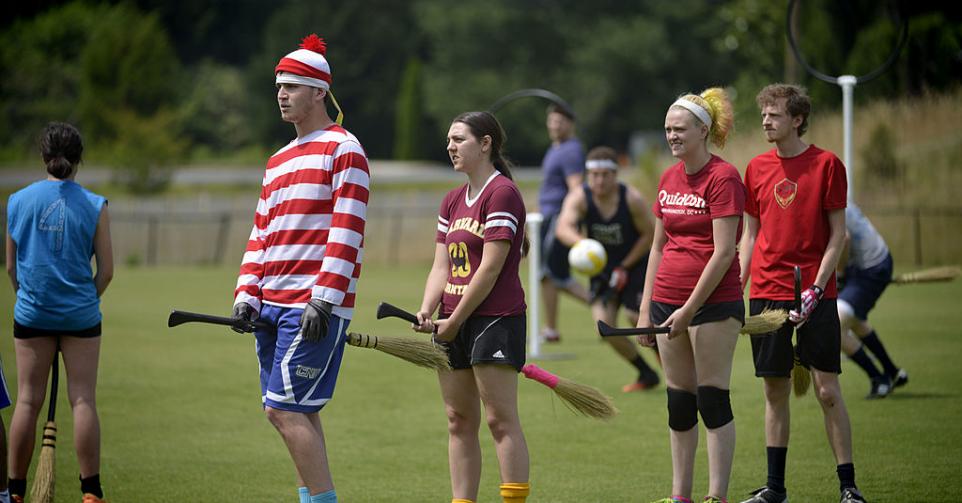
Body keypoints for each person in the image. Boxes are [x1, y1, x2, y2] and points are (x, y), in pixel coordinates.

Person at [231, 34, 369, 503]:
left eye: (291, 86)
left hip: (312, 306)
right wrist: (246, 296)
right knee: (299, 411)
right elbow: (260, 235)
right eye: (278, 87)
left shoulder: (344, 149)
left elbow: (347, 231)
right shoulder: (277, 161)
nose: (282, 95)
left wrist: (324, 299)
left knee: (282, 410)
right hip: (270, 305)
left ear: (318, 91)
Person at [738, 83, 867, 503]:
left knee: (826, 390)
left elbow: (838, 235)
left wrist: (815, 288)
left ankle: (848, 487)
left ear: (797, 119)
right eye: (763, 115)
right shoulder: (755, 168)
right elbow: (750, 236)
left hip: (817, 296)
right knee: (774, 392)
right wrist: (735, 286)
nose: (765, 121)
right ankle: (775, 489)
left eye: (774, 114)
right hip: (767, 294)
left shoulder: (828, 165)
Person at [412, 111, 530, 503]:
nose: (450, 146)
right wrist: (428, 308)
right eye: (448, 140)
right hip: (452, 320)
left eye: (459, 139)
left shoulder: (502, 194)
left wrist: (455, 318)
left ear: (485, 144)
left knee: (499, 420)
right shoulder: (451, 200)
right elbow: (441, 265)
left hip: (494, 319)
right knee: (458, 420)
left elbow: (491, 268)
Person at [638, 88, 745, 503]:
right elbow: (658, 246)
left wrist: (688, 310)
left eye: (679, 129)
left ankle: (716, 497)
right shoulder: (667, 178)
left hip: (713, 306)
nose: (671, 136)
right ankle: (679, 496)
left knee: (712, 398)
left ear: (703, 130)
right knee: (679, 401)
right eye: (667, 129)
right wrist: (648, 308)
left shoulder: (724, 177)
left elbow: (722, 254)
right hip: (667, 302)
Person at [5, 122, 112, 503]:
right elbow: (107, 271)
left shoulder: (17, 201)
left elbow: (11, 268)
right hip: (81, 316)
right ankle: (91, 493)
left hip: (32, 313)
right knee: (82, 400)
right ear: (79, 159)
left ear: (43, 157)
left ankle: (14, 490)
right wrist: (84, 300)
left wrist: (33, 302)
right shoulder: (95, 205)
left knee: (28, 400)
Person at [555, 146, 660, 392]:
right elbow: (563, 228)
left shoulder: (630, 198)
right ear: (587, 175)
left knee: (637, 318)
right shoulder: (580, 197)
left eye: (605, 174)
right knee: (605, 327)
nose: (599, 180)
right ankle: (646, 373)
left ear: (615, 175)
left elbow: (649, 235)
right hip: (601, 269)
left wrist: (624, 267)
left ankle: (662, 354)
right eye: (594, 175)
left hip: (635, 265)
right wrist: (583, 245)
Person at [837, 202, 907, 398]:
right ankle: (892, 372)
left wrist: (840, 276)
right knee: (855, 320)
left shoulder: (820, 198)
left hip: (871, 270)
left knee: (834, 326)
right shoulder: (834, 193)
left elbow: (843, 239)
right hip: (871, 264)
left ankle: (878, 378)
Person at [537, 103, 590, 343]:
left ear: (570, 123)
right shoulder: (555, 148)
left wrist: (570, 219)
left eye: (559, 121)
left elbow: (576, 188)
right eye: (551, 120)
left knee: (554, 275)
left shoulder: (570, 150)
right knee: (547, 275)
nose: (554, 125)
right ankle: (551, 328)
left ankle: (603, 303)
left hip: (560, 218)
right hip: (547, 218)